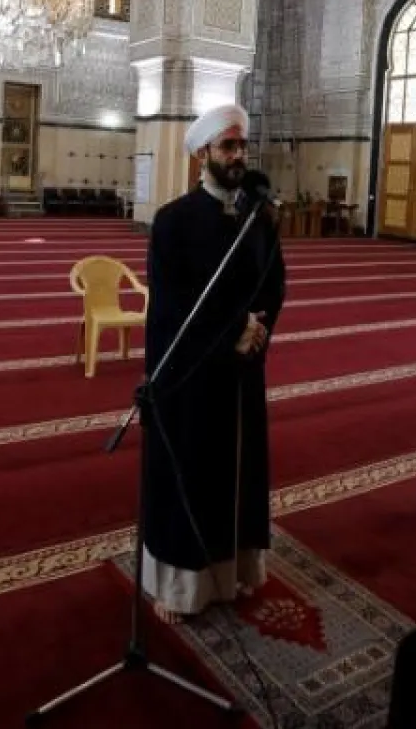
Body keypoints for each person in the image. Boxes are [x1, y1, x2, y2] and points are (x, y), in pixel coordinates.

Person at [139, 103, 287, 624]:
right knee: (194, 474)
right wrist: (230, 333)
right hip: (193, 377)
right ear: (204, 153)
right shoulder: (172, 222)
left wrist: (258, 329)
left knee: (238, 471)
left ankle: (236, 570)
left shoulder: (260, 217)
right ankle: (182, 587)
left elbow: (273, 284)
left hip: (243, 371)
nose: (239, 155)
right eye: (229, 147)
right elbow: (174, 304)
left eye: (242, 146)